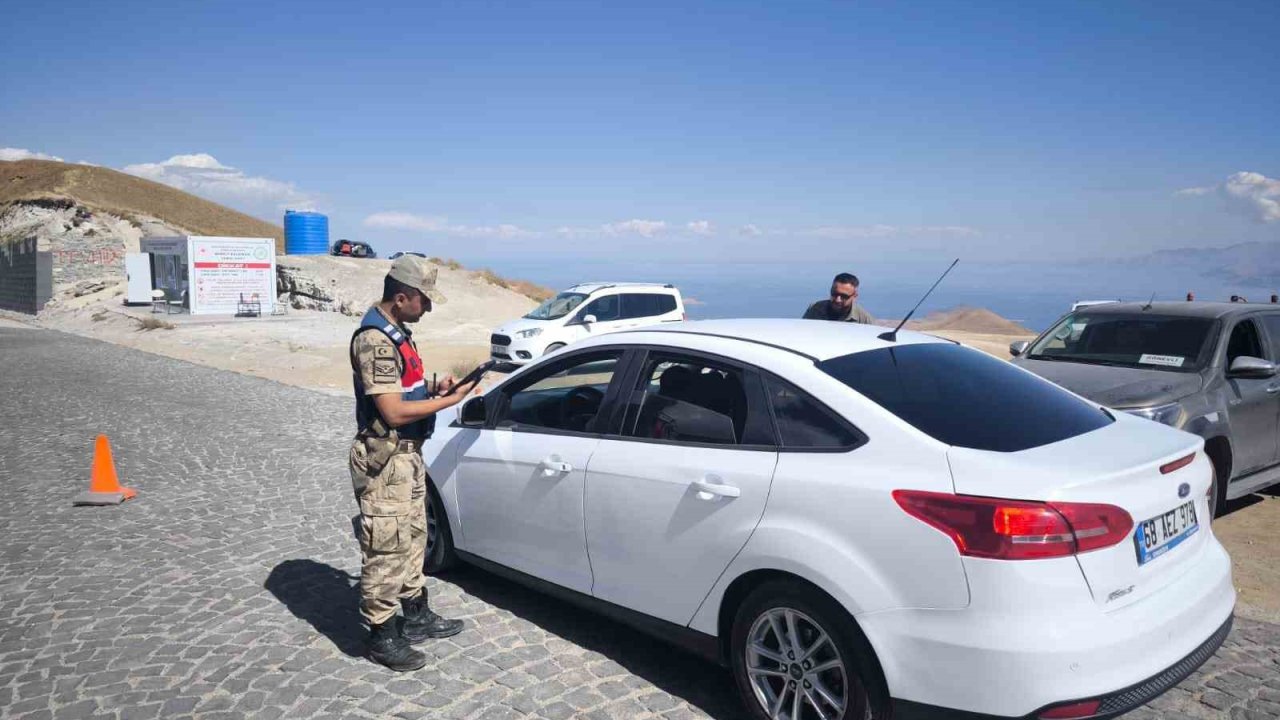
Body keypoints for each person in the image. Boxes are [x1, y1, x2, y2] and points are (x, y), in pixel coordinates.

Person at [349, 255, 483, 671]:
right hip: (386, 457)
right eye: (424, 300)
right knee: (385, 546)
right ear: (402, 296)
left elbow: (402, 387)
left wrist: (433, 387)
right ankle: (381, 635)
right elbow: (391, 411)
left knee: (412, 537)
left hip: (408, 456)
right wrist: (449, 401)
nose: (428, 308)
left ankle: (416, 615)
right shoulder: (374, 338)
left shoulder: (398, 334)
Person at [803, 272, 874, 323]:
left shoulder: (863, 319)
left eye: (844, 296)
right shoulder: (815, 309)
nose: (838, 300)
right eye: (834, 294)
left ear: (854, 297)